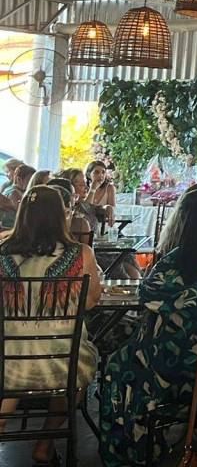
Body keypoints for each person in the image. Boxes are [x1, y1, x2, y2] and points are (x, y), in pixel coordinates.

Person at [99, 188, 197, 466]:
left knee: (116, 367)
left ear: (184, 219)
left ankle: (130, 451)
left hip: (170, 367)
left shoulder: (178, 259)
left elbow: (146, 294)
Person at [0, 186, 101, 465]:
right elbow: (91, 301)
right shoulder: (81, 254)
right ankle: (44, 444)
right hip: (63, 363)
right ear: (61, 215)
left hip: (8, 361)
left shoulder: (2, 252)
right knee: (79, 373)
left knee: (16, 364)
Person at [84, 160, 116, 229]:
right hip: (87, 226)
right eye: (96, 172)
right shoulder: (84, 188)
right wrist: (92, 189)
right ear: (89, 174)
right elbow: (85, 210)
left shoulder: (109, 188)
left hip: (105, 226)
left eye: (103, 172)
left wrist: (107, 208)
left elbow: (112, 210)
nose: (101, 175)